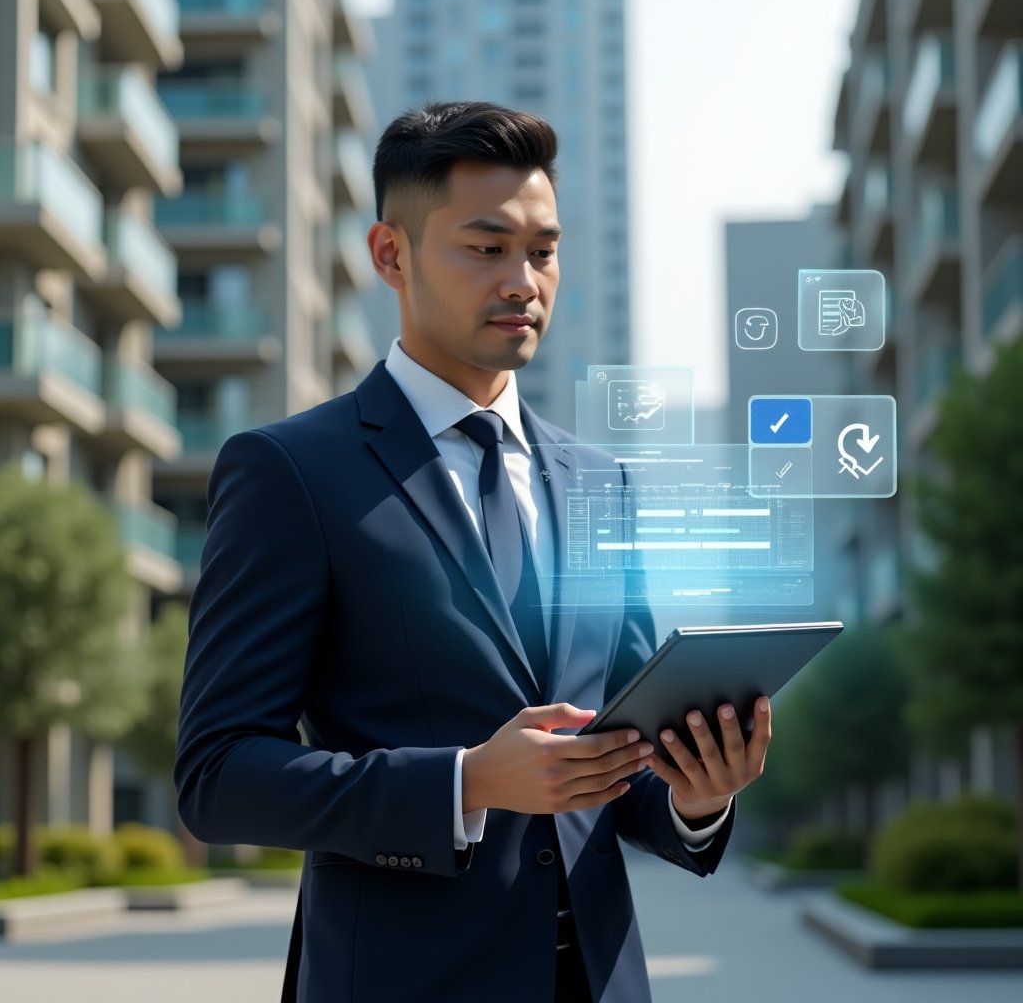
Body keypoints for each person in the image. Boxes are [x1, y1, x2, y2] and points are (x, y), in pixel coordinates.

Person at [175, 101, 771, 1003]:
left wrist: (699, 792)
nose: (523, 281)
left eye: (542, 250)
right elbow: (218, 775)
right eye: (486, 248)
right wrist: (464, 781)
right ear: (391, 254)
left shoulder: (602, 481)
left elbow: (623, 754)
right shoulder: (291, 471)